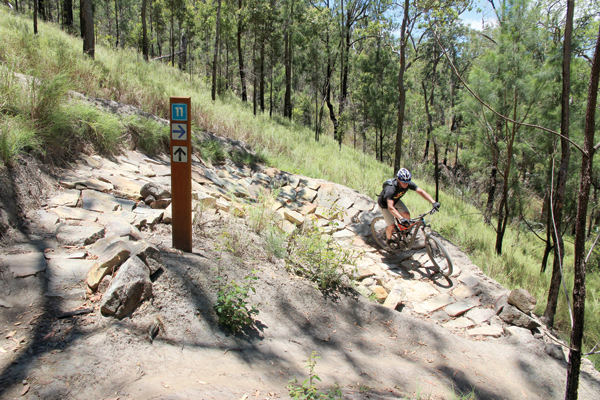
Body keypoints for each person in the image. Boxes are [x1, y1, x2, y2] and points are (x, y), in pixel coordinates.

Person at [377, 168, 440, 247]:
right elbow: (390, 207)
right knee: (391, 225)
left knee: (407, 215)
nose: (406, 184)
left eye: (407, 182)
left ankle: (404, 234)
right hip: (385, 204)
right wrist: (400, 218)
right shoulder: (391, 188)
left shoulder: (408, 183)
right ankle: (388, 241)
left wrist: (433, 202)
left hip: (395, 200)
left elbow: (421, 192)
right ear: (399, 180)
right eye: (404, 182)